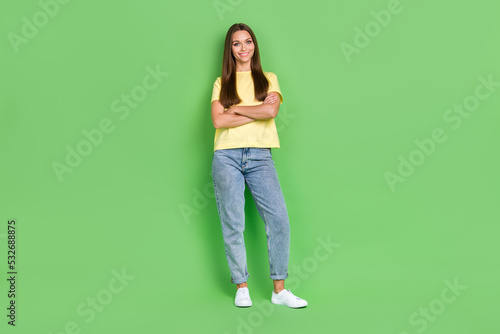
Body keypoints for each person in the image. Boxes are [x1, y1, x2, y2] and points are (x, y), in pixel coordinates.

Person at [210, 23, 308, 309]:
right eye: (237, 44)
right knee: (233, 223)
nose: (244, 48)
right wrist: (256, 112)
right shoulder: (221, 83)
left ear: (255, 45)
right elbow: (219, 121)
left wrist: (236, 108)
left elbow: (271, 110)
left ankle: (279, 291)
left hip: (260, 157)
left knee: (278, 219)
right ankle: (241, 286)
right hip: (226, 156)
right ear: (230, 49)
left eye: (248, 41)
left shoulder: (268, 78)